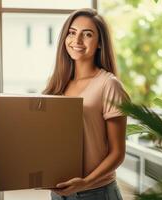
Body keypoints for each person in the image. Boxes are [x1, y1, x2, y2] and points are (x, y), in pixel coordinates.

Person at [43, 8, 129, 200]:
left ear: (99, 43)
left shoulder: (109, 85)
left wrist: (85, 182)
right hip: (59, 193)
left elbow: (117, 153)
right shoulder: (57, 84)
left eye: (87, 34)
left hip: (96, 193)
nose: (77, 41)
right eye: (72, 33)